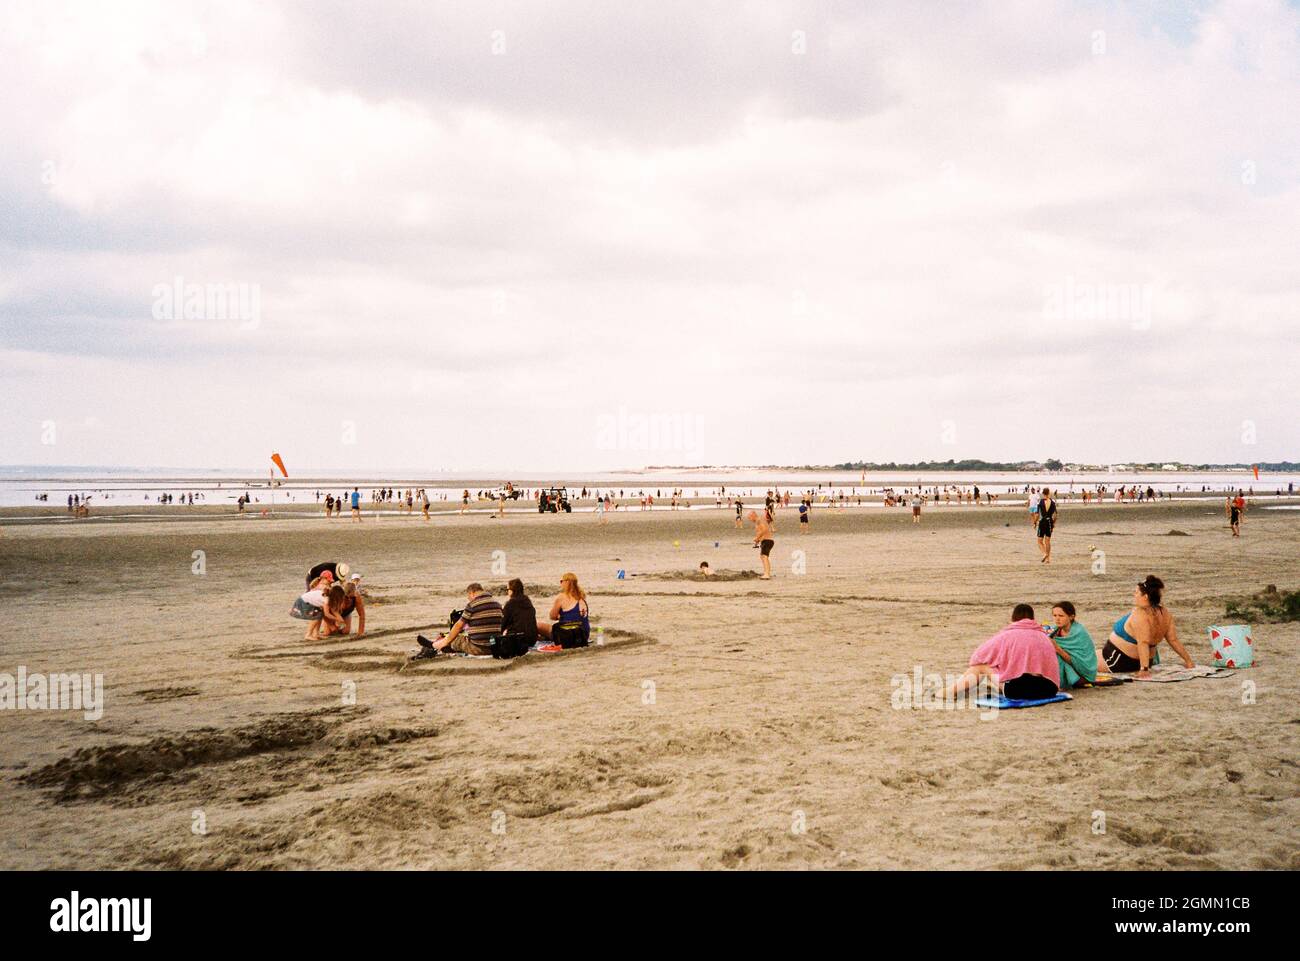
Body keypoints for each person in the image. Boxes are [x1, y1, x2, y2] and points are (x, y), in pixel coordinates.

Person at [946, 603, 1060, 700]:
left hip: (1019, 690)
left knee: (980, 667)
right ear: (1032, 619)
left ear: (1013, 619)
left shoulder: (1006, 635)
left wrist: (995, 666)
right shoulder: (1044, 636)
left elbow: (977, 657)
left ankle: (950, 691)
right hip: (1050, 689)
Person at [1103, 575, 1194, 673]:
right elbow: (1173, 640)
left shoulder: (1141, 614)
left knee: (1086, 662)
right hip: (1142, 660)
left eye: (1137, 592)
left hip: (1119, 659)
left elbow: (1143, 642)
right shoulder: (1165, 613)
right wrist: (1188, 661)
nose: (1134, 595)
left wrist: (1144, 669)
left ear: (1145, 597)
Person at [415, 583, 504, 657]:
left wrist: (447, 640)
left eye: (468, 597)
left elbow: (458, 626)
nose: (469, 599)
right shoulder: (497, 604)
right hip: (493, 647)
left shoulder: (473, 605)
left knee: (454, 639)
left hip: (478, 648)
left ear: (471, 593)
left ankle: (433, 646)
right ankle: (437, 646)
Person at [1048, 601, 1097, 687]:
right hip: (1068, 671)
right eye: (1055, 615)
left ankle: (1056, 682)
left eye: (1061, 616)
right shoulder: (1055, 630)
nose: (1057, 619)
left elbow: (1078, 662)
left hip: (1081, 675)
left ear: (1071, 617)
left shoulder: (1079, 633)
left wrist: (1057, 648)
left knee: (1056, 655)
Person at [537, 572, 590, 647]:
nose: (560, 583)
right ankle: (545, 638)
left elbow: (552, 616)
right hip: (583, 635)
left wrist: (559, 616)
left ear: (567, 582)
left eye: (561, 581)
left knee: (538, 626)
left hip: (568, 634)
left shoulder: (561, 597)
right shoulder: (582, 597)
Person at [497, 578, 537, 656]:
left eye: (507, 589)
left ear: (512, 590)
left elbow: (503, 624)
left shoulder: (510, 604)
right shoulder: (528, 602)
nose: (507, 591)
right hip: (532, 639)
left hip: (517, 640)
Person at [750, 510, 774, 579]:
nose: (750, 520)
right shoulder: (759, 520)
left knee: (764, 557)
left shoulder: (759, 520)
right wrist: (757, 540)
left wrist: (757, 538)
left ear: (753, 515)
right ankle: (766, 573)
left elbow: (764, 529)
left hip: (767, 541)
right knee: (763, 557)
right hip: (765, 541)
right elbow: (761, 531)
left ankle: (767, 574)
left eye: (750, 518)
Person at [1036, 487, 1057, 564]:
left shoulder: (1040, 502)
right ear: (1048, 493)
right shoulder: (1052, 502)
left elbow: (1037, 514)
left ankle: (1045, 553)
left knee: (1039, 541)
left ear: (1043, 493)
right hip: (1049, 522)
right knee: (1047, 541)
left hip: (1042, 522)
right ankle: (1048, 559)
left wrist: (1035, 522)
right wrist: (1053, 524)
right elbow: (1055, 515)